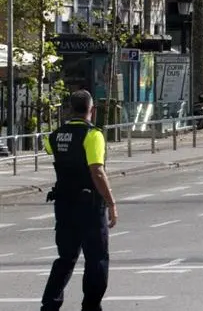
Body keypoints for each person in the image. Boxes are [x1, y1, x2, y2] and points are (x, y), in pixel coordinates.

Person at [41, 90, 118, 311]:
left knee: (65, 258)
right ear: (92, 110)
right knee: (96, 259)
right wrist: (111, 203)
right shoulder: (93, 135)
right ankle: (91, 306)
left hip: (64, 204)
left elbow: (48, 148)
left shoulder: (55, 135)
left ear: (69, 109)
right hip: (89, 206)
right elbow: (97, 171)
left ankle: (49, 305)